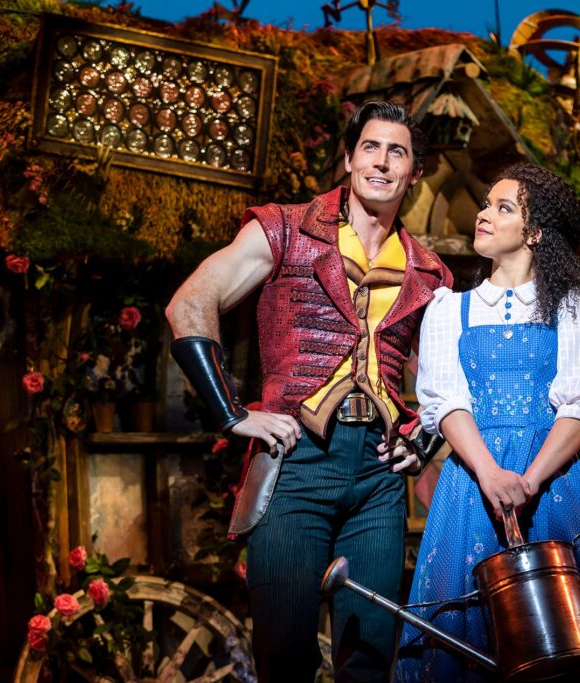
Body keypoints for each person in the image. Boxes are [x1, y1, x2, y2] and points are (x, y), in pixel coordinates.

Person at [166, 100, 453, 682]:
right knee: (286, 659)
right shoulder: (284, 228)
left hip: (378, 478)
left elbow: (444, 379)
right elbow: (189, 303)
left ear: (415, 173)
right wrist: (231, 413)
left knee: (369, 660)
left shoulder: (430, 272)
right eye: (370, 147)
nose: (382, 162)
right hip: (295, 465)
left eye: (397, 152)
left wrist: (423, 440)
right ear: (348, 159)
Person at [395, 163, 580, 682]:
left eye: (503, 208)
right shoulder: (449, 310)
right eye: (486, 204)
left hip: (555, 486)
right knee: (469, 638)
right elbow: (447, 403)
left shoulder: (574, 308)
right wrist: (490, 473)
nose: (484, 215)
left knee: (568, 641)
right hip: (473, 484)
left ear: (535, 231)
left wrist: (530, 480)